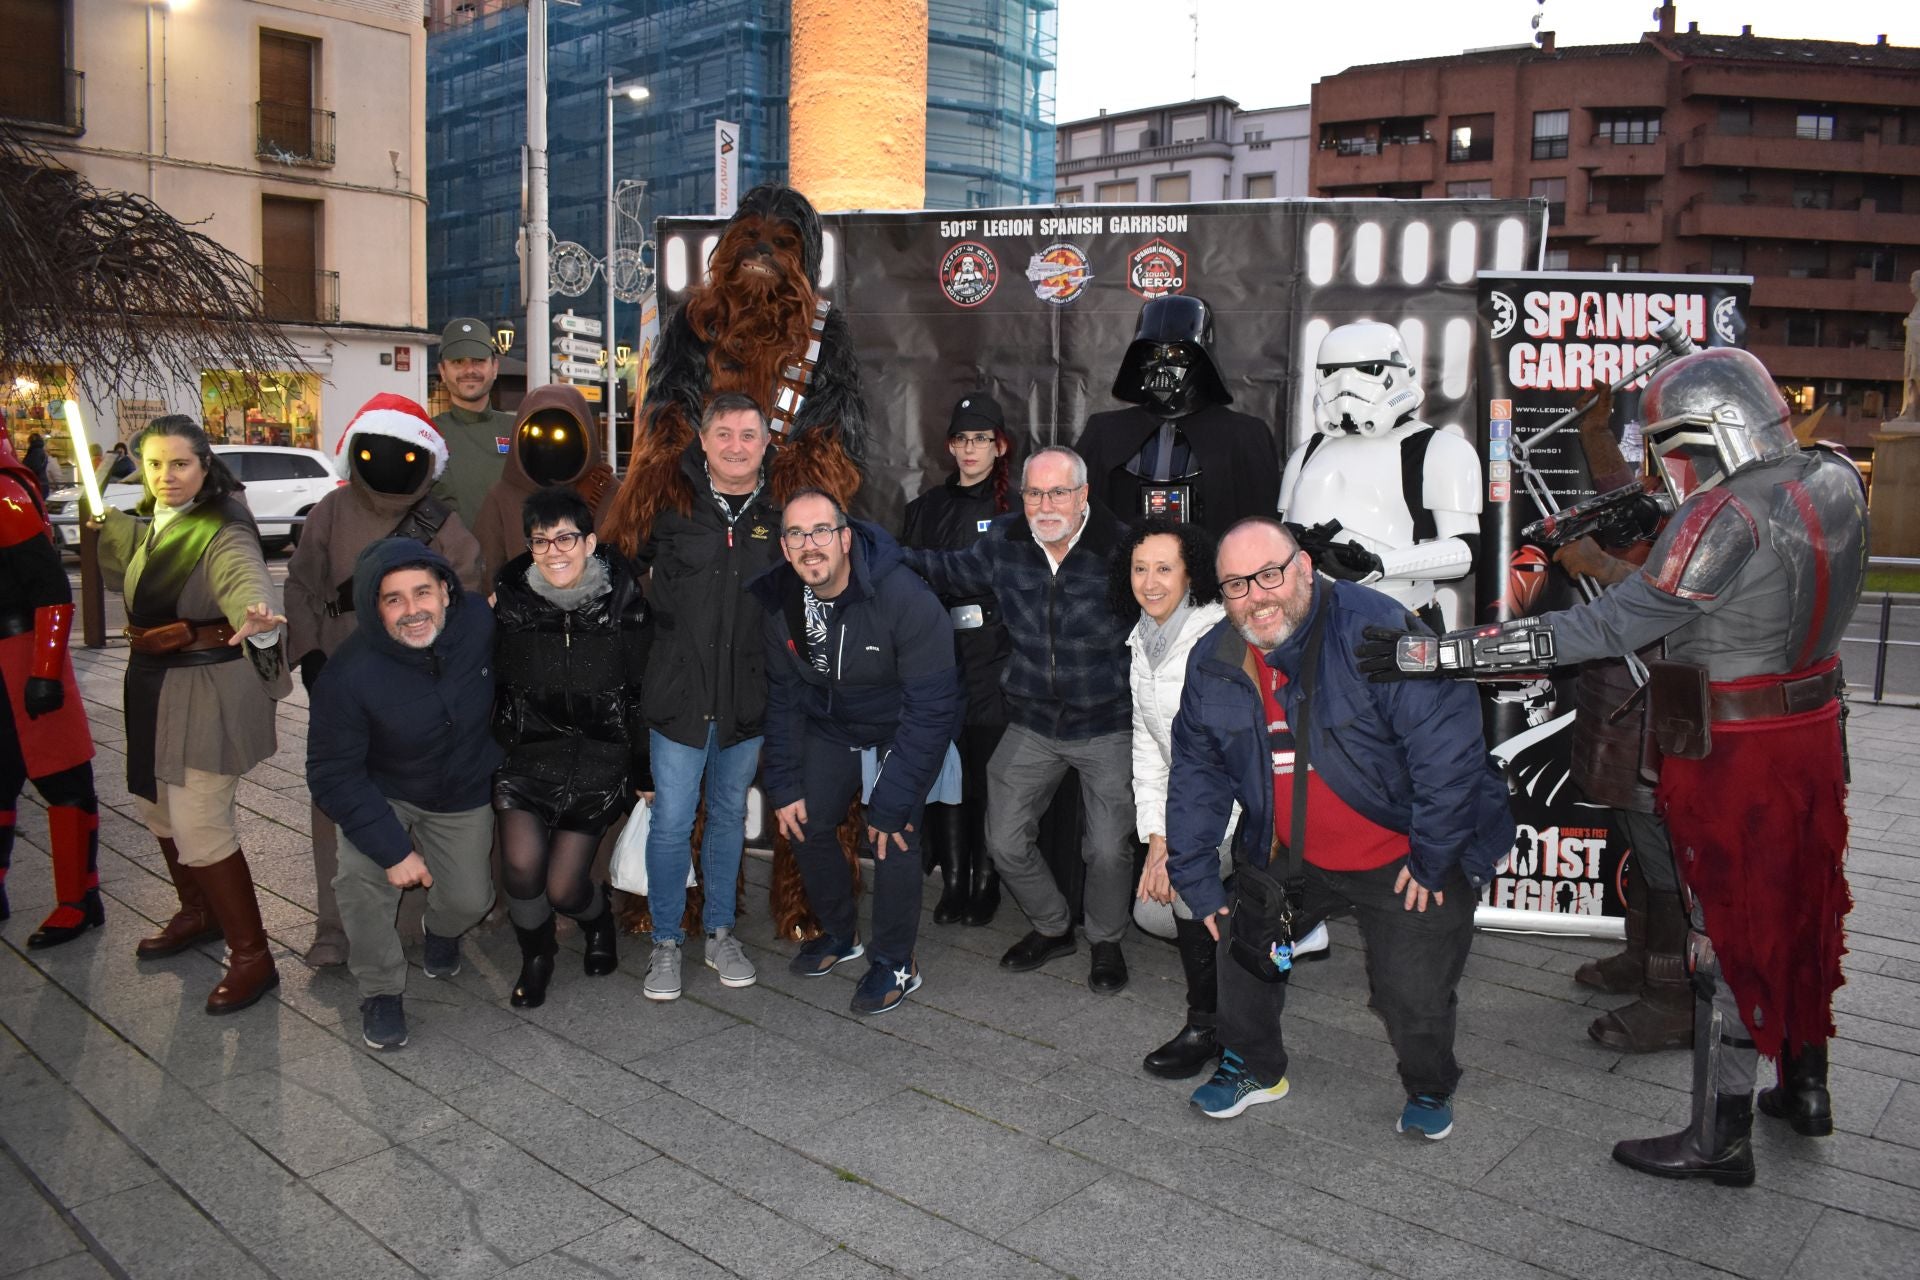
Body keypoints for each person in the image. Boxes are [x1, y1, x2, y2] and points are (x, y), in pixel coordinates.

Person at [1360, 347, 1870, 1185]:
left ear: (1717, 427)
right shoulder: (1835, 474)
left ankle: (1719, 1136)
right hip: (1815, 724)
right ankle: (1804, 1088)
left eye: (1677, 446)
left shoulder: (1721, 516)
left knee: (1725, 937)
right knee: (1802, 905)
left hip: (1735, 747)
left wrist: (1428, 652)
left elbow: (1590, 632)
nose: (1670, 469)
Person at [1168, 517, 1509, 1132]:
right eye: (1235, 586)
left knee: (1411, 994)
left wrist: (1433, 858)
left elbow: (1448, 750)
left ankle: (1430, 1086)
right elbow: (1198, 772)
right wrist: (1195, 878)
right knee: (1243, 947)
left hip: (1405, 852)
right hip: (1293, 846)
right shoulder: (1215, 657)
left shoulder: (1377, 633)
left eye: (1268, 575)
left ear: (1303, 569)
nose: (1255, 597)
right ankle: (1254, 1066)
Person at [903, 445, 1137, 994]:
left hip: (1106, 722)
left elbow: (1169, 602)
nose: (1046, 504)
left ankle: (1105, 941)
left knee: (1106, 847)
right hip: (1032, 719)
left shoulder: (1123, 548)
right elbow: (948, 570)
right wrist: (876, 551)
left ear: (1083, 496)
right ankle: (1053, 927)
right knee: (1004, 840)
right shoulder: (1005, 542)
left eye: (1059, 492)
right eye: (1035, 492)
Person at [93, 416, 291, 1014]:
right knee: (155, 807)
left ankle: (253, 957)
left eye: (179, 464)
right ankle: (198, 913)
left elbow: (243, 578)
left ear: (204, 466)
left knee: (201, 822)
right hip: (152, 683)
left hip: (206, 687)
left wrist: (255, 617)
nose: (165, 476)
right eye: (154, 465)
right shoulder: (158, 522)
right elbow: (122, 556)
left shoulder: (224, 528)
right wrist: (102, 511)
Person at [285, 393, 485, 968]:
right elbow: (300, 585)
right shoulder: (330, 509)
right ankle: (336, 928)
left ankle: (417, 921)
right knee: (340, 803)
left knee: (417, 794)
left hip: (417, 683)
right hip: (344, 681)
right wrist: (312, 654)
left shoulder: (442, 523)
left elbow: (465, 595)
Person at [753, 489, 962, 1012]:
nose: (810, 545)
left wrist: (890, 801)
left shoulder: (903, 596)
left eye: (821, 531)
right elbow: (782, 699)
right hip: (832, 723)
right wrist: (782, 780)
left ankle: (896, 961)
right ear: (784, 546)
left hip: (903, 724)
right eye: (796, 535)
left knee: (892, 834)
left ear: (845, 537)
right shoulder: (781, 600)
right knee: (803, 820)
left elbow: (933, 707)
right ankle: (842, 935)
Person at [611, 393, 782, 1001]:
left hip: (746, 697)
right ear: (703, 442)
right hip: (677, 697)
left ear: (766, 442)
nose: (736, 445)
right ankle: (664, 941)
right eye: (724, 434)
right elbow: (619, 575)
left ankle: (719, 933)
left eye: (748, 435)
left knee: (729, 818)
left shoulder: (780, 509)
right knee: (672, 821)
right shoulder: (669, 502)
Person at [306, 538, 502, 1050]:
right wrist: (392, 850)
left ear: (446, 592)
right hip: (382, 790)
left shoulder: (479, 622)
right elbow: (331, 772)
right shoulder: (347, 674)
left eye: (423, 593)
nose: (413, 610)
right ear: (375, 607)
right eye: (394, 599)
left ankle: (441, 931)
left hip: (460, 786)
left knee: (469, 899)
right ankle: (380, 989)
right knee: (359, 881)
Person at [491, 487, 650, 1008]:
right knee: (519, 866)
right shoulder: (510, 604)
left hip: (598, 760)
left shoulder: (624, 606)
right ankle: (536, 956)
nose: (555, 551)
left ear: (590, 541)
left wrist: (643, 770)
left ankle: (596, 918)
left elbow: (644, 692)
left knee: (564, 888)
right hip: (530, 755)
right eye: (541, 541)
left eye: (566, 538)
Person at [1116, 517, 1238, 1077]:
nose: (1150, 581)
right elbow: (1148, 748)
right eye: (1141, 568)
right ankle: (1260, 934)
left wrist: (1178, 849)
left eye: (1165, 568)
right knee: (1152, 914)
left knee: (1186, 894)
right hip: (1182, 805)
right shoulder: (1143, 638)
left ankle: (1206, 1024)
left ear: (1192, 573)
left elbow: (1217, 764)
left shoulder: (1217, 639)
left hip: (1237, 802)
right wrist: (1156, 837)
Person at [1279, 321, 1483, 630]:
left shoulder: (1440, 450)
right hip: (1312, 619)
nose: (1344, 384)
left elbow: (1465, 551)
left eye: (1368, 369)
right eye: (1331, 371)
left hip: (1399, 615)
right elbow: (1278, 538)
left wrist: (1378, 566)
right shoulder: (1306, 453)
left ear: (1401, 371)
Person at [899, 392, 1014, 926]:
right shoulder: (925, 509)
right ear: (950, 446)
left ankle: (986, 881)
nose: (971, 449)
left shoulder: (1014, 510)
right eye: (963, 439)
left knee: (988, 772)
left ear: (999, 446)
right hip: (938, 656)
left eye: (981, 440)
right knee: (946, 770)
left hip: (995, 657)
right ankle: (953, 881)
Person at [0, 435, 99, 946]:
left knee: (63, 781)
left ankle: (78, 897)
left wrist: (43, 669)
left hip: (22, 654)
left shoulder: (5, 497)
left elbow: (50, 589)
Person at [1074, 295, 1279, 535]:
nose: (1162, 366)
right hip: (1126, 567)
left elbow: (1263, 530)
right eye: (1152, 353)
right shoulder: (1104, 433)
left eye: (1177, 354)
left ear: (1202, 360)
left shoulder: (1244, 436)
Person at [472, 384, 616, 584]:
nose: (548, 442)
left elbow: (633, 569)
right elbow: (487, 574)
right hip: (523, 611)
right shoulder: (503, 497)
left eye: (561, 432)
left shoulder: (609, 492)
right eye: (538, 433)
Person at [431, 317, 518, 527]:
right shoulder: (427, 435)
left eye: (478, 361)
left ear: (494, 367)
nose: (469, 370)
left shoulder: (519, 431)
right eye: (458, 362)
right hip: (450, 559)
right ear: (443, 371)